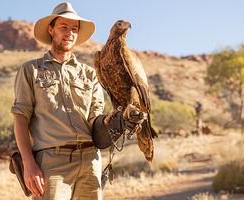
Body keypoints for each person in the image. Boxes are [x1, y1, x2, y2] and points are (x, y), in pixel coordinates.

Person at [11, 2, 144, 200]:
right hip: (52, 162)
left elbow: (94, 119)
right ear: (51, 30)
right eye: (63, 27)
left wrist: (116, 121)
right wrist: (28, 163)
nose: (70, 33)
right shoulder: (31, 70)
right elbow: (21, 118)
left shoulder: (90, 74)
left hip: (91, 161)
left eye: (74, 29)